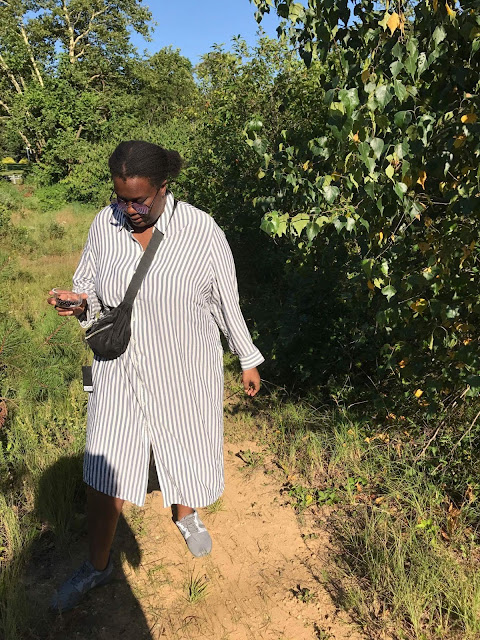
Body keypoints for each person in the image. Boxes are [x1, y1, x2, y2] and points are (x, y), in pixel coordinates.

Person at [47, 140, 264, 612]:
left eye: (140, 200)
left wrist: (247, 357)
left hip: (183, 369)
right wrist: (78, 302)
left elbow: (226, 299)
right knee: (105, 465)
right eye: (121, 198)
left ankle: (185, 514)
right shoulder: (104, 224)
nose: (129, 210)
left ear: (164, 187)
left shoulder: (201, 231)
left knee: (183, 443)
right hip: (118, 368)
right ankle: (98, 566)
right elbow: (88, 285)